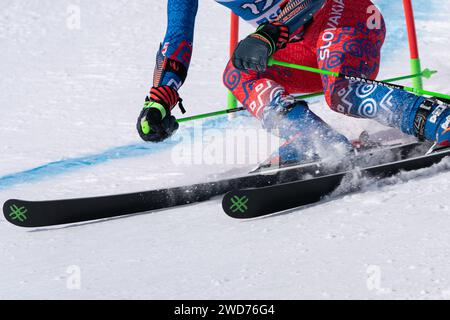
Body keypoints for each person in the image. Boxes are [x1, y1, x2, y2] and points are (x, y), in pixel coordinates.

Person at [137, 0, 450, 164]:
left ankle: (438, 117)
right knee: (237, 75)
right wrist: (159, 98)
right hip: (297, 44)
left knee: (343, 93)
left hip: (347, 19)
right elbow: (177, 39)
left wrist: (270, 33)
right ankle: (314, 141)